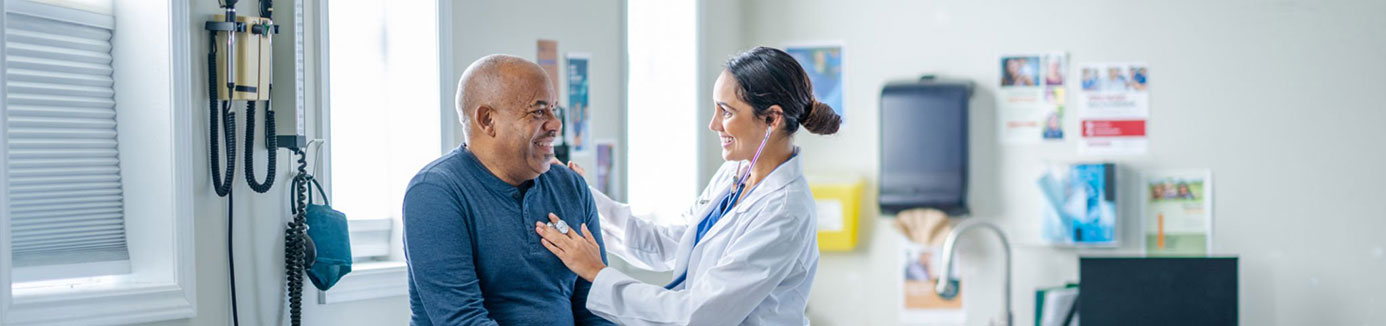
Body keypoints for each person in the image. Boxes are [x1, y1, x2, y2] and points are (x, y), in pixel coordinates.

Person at [535, 46, 842, 325]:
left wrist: (596, 273)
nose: (714, 124)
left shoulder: (785, 211)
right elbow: (673, 244)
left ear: (772, 119)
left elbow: (699, 315)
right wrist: (585, 195)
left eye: (727, 111)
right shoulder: (734, 174)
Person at [401, 54, 612, 326]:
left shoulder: (570, 186)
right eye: (538, 111)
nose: (555, 124)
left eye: (553, 109)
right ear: (487, 119)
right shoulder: (435, 192)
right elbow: (463, 320)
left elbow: (596, 309)